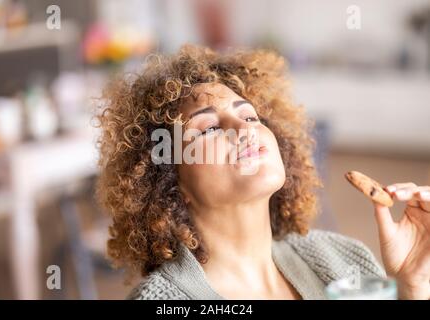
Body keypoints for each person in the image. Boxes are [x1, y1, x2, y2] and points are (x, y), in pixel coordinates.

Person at [96, 44, 430, 300]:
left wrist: (412, 287)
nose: (243, 128)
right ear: (169, 180)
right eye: (209, 128)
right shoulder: (163, 300)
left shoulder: (343, 256)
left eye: (251, 117)